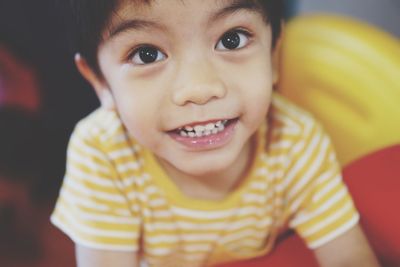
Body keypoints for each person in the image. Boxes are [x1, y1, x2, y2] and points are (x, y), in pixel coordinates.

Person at [50, 0, 380, 266]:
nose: (199, 89)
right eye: (146, 54)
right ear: (100, 83)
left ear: (274, 54)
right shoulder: (103, 152)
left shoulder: (295, 141)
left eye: (231, 39)